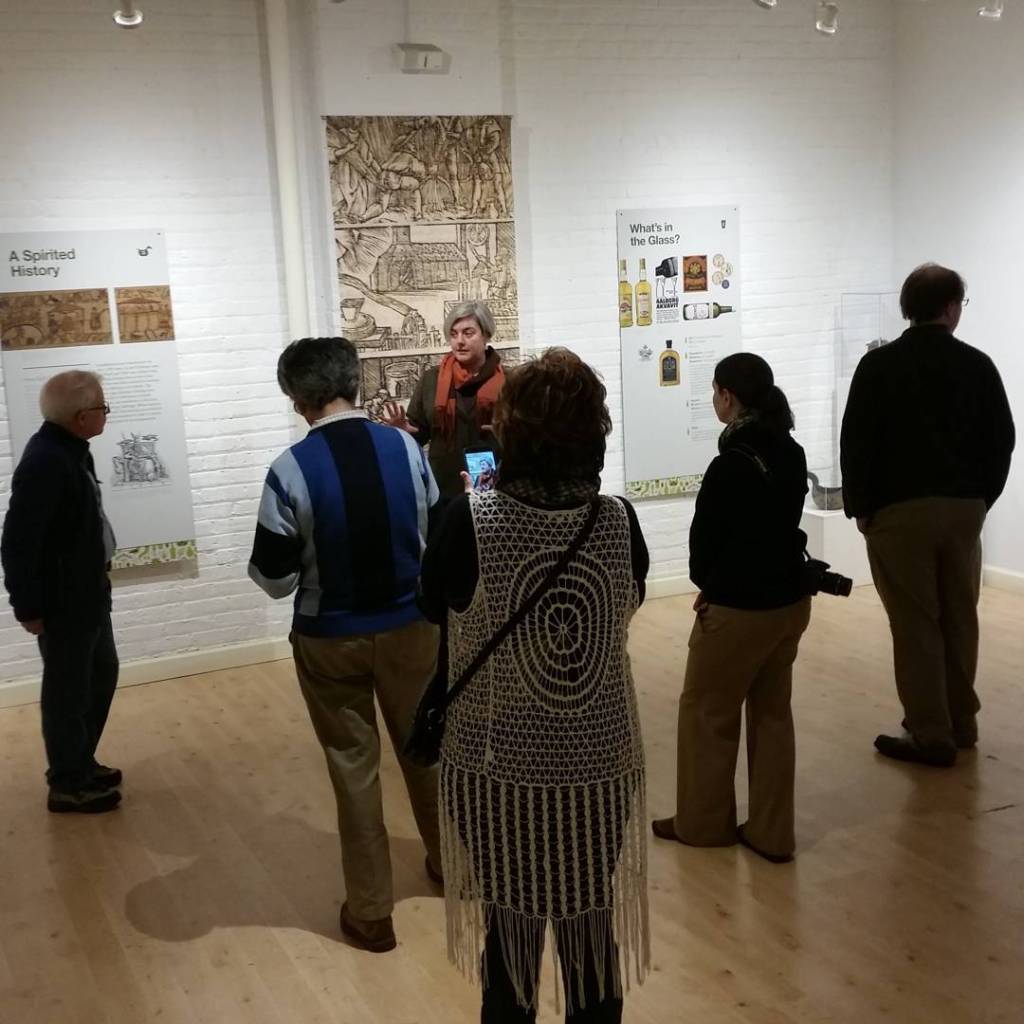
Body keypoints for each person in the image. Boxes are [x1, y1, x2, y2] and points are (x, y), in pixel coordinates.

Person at [420, 348, 650, 1023]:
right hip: (598, 755)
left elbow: (433, 605)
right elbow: (625, 602)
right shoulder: (618, 521)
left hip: (497, 760)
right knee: (588, 920)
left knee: (512, 931)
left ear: (510, 430)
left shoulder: (470, 521)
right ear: (594, 432)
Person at [248, 336, 443, 953]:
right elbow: (434, 532)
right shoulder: (407, 448)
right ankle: (452, 867)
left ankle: (370, 913)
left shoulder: (288, 470)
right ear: (354, 383)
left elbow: (275, 580)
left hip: (330, 639)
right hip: (413, 627)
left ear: (298, 398)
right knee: (427, 748)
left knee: (353, 769)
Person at [840, 264, 1015, 767]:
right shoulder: (976, 365)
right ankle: (962, 722)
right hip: (963, 511)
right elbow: (1001, 441)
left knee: (916, 623)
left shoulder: (878, 367)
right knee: (961, 616)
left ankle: (930, 730)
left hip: (898, 515)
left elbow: (856, 442)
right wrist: (982, 500)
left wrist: (862, 508)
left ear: (907, 309)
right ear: (952, 307)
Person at [652, 353, 811, 864]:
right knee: (772, 715)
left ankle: (702, 824)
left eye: (715, 391)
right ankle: (772, 832)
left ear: (727, 396)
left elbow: (705, 548)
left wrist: (713, 584)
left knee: (707, 714)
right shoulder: (790, 451)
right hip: (789, 602)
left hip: (738, 609)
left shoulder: (729, 464)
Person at [1, 371, 121, 814]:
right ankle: (68, 782)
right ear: (80, 416)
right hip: (64, 600)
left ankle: (79, 761)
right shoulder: (47, 462)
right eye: (102, 408)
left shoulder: (69, 451)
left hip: (87, 592)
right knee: (67, 690)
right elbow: (18, 541)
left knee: (99, 674)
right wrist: (27, 606)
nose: (106, 414)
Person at [383, 300, 504, 500]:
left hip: (494, 489)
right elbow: (419, 433)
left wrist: (509, 433)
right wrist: (405, 432)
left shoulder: (509, 382)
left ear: (486, 335)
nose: (459, 341)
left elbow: (523, 440)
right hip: (445, 487)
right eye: (454, 334)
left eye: (468, 333)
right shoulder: (433, 379)